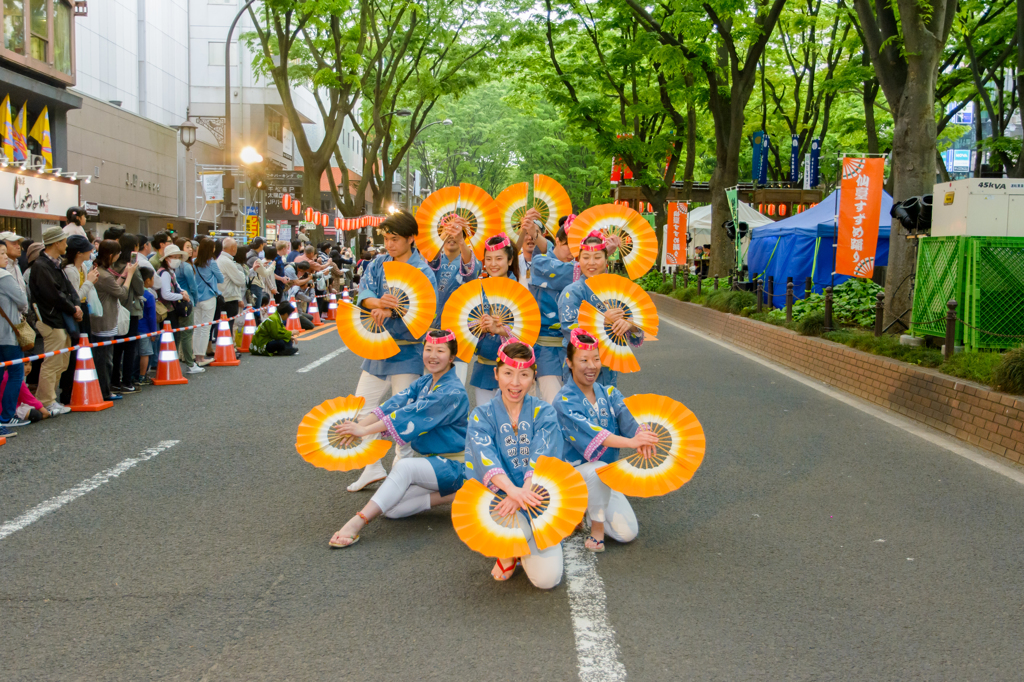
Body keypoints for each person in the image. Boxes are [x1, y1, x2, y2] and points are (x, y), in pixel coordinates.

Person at [328, 330, 469, 548]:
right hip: (435, 465)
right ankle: (456, 494)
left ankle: (355, 523)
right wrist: (356, 427)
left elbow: (407, 415)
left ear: (451, 358)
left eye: (440, 351)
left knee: (403, 468)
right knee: (391, 509)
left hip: (455, 465)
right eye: (428, 349)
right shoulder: (424, 382)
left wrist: (363, 431)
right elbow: (391, 405)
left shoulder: (451, 391)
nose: (432, 355)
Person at [346, 211, 438, 493]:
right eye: (386, 238)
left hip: (407, 352)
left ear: (411, 238)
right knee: (361, 410)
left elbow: (424, 315)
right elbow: (364, 294)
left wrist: (392, 309)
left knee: (402, 417)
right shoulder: (379, 262)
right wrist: (378, 303)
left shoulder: (423, 271)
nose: (389, 244)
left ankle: (402, 476)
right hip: (376, 347)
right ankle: (372, 467)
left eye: (395, 239)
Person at [464, 340, 565, 588]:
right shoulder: (482, 414)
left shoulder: (545, 412)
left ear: (534, 376)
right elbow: (484, 456)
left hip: (537, 497)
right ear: (496, 374)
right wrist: (512, 491)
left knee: (547, 580)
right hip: (501, 499)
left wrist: (522, 493)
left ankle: (526, 541)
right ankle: (509, 551)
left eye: (524, 375)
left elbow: (543, 455)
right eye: (508, 373)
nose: (515, 383)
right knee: (507, 527)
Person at [553, 329, 659, 552]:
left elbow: (629, 420)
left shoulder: (609, 392)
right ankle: (596, 530)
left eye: (596, 359)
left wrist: (643, 435)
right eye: (583, 360)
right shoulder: (564, 401)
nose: (591, 366)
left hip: (604, 479)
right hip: (574, 477)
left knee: (628, 533)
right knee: (597, 468)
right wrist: (631, 443)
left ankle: (588, 510)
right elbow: (596, 436)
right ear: (569, 363)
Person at [559, 230, 643, 387]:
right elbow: (570, 330)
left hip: (609, 369)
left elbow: (637, 333)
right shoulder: (573, 292)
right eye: (586, 257)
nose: (591, 262)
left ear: (606, 259)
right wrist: (602, 321)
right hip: (580, 369)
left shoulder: (618, 291)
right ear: (579, 260)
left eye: (597, 257)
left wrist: (630, 325)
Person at [523, 213, 577, 403]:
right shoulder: (541, 262)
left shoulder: (578, 266)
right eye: (567, 245)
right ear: (557, 242)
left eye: (577, 248)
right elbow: (564, 272)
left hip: (573, 350)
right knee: (552, 403)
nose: (572, 252)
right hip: (546, 348)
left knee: (572, 405)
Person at [28, 227, 82, 415]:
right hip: (51, 319)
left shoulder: (55, 263)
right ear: (56, 242)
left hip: (60, 318)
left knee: (61, 361)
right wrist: (73, 308)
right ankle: (46, 401)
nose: (66, 244)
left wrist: (76, 306)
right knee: (52, 362)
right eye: (64, 241)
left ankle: (51, 399)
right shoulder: (41, 266)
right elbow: (53, 295)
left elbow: (68, 290)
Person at [467, 233, 521, 406]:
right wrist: (478, 327)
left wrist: (501, 330)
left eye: (499, 258)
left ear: (510, 260)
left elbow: (526, 331)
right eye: (488, 259)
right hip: (484, 366)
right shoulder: (477, 290)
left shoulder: (520, 292)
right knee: (484, 421)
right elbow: (466, 323)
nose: (493, 264)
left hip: (513, 369)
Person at [426, 215, 478, 383]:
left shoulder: (470, 258)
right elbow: (425, 260)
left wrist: (462, 241)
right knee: (428, 385)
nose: (452, 237)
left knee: (456, 384)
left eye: (457, 233)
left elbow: (471, 271)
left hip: (458, 331)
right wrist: (443, 235)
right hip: (430, 328)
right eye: (447, 233)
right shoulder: (432, 260)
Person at [90, 239, 137, 401]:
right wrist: (129, 275)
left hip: (101, 319)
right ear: (111, 255)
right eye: (117, 253)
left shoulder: (99, 271)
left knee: (104, 358)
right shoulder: (104, 275)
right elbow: (122, 294)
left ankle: (104, 390)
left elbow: (114, 288)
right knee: (104, 360)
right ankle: (104, 392)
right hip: (104, 321)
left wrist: (123, 275)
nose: (119, 256)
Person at [58, 235, 98, 406]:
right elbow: (75, 297)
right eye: (89, 249)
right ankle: (68, 392)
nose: (91, 251)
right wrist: (89, 282)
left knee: (83, 351)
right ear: (79, 252)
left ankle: (81, 389)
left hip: (84, 312)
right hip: (76, 312)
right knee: (76, 353)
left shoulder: (81, 267)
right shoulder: (70, 270)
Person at [109, 234, 145, 394]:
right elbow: (140, 289)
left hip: (113, 309)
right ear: (134, 248)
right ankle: (127, 382)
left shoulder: (111, 266)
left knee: (116, 347)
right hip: (130, 310)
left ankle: (114, 381)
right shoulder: (130, 267)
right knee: (130, 346)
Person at [0, 242, 29, 434]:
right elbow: (22, 300)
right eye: (2, 253)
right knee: (16, 372)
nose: (5, 257)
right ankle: (7, 416)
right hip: (7, 333)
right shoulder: (4, 276)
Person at [171, 238, 201, 372]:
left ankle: (175, 362)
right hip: (186, 302)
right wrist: (195, 299)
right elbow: (193, 287)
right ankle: (190, 363)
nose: (190, 249)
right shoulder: (186, 266)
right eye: (187, 247)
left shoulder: (173, 266)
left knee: (177, 334)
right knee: (187, 333)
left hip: (174, 303)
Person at [217, 237, 247, 342]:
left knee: (222, 325)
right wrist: (241, 274)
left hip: (222, 296)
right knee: (228, 325)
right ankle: (229, 348)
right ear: (233, 248)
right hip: (229, 297)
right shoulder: (228, 262)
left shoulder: (221, 259)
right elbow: (241, 280)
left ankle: (224, 348)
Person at [137, 270, 158, 384]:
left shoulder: (135, 293)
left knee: (135, 353)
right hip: (145, 329)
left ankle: (133, 375)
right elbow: (152, 316)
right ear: (147, 280)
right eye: (152, 278)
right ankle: (142, 376)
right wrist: (153, 332)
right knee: (145, 354)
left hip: (135, 327)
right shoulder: (149, 296)